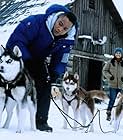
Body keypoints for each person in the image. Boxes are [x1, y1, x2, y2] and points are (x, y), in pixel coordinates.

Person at [6, 4, 78, 132]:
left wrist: (55, 72)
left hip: (38, 60)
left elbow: (62, 58)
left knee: (46, 82)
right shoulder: (36, 22)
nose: (60, 29)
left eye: (65, 28)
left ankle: (41, 121)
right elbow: (17, 40)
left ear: (69, 30)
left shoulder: (66, 40)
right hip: (17, 57)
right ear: (56, 18)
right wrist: (26, 60)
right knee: (8, 84)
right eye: (60, 24)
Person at [102, 47, 123, 121]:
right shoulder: (110, 62)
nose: (118, 54)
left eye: (119, 53)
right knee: (113, 99)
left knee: (122, 100)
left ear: (121, 55)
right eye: (117, 53)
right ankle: (109, 112)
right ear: (114, 54)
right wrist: (110, 76)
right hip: (112, 85)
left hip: (121, 86)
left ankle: (120, 113)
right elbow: (104, 70)